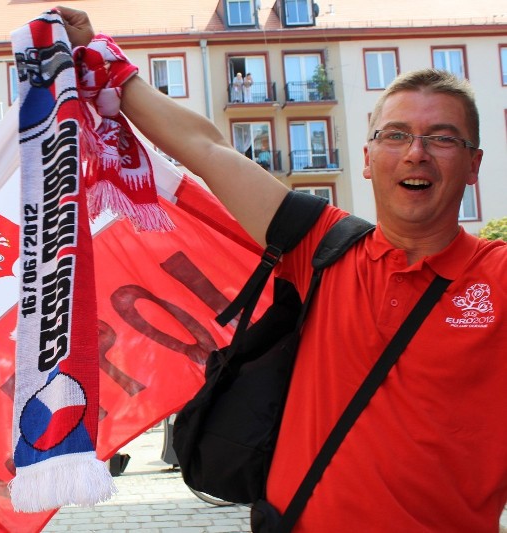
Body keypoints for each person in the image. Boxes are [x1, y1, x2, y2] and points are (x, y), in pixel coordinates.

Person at [58, 7, 506, 531]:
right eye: (397, 135)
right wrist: (105, 61)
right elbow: (207, 149)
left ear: (474, 165)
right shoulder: (323, 245)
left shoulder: (497, 277)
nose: (417, 154)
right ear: (367, 157)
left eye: (443, 138)